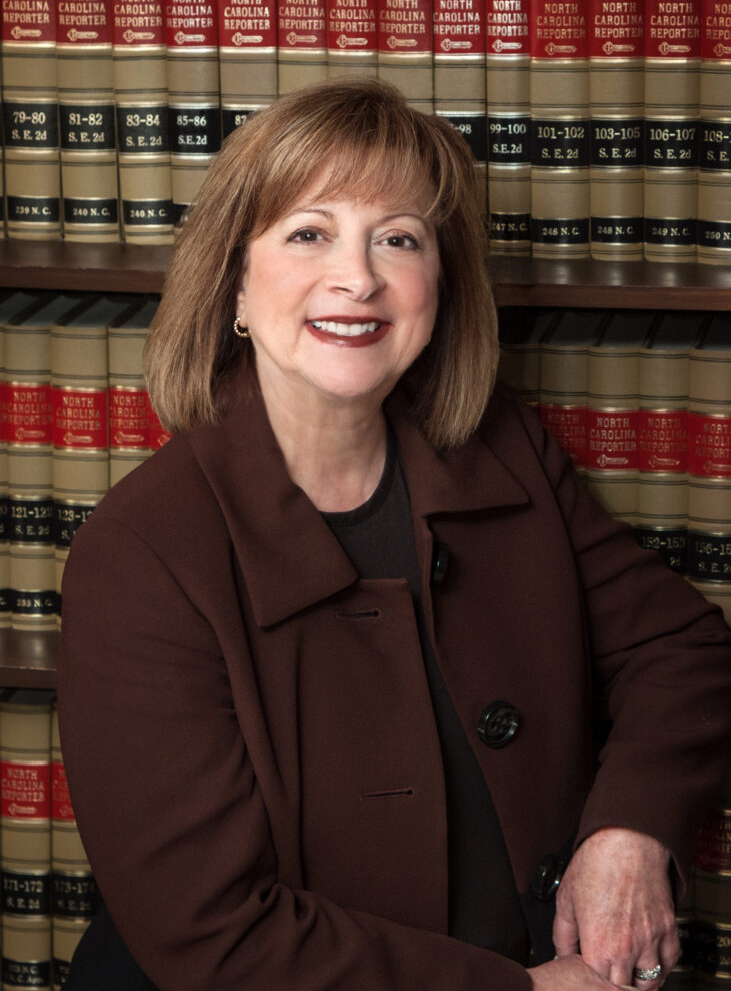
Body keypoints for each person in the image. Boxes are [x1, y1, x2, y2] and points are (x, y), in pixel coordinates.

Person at [57, 77, 731, 991]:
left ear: (436, 287)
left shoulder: (500, 448)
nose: (359, 277)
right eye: (308, 233)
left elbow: (682, 651)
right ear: (235, 289)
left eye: (398, 239)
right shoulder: (142, 551)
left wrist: (628, 830)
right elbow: (210, 932)